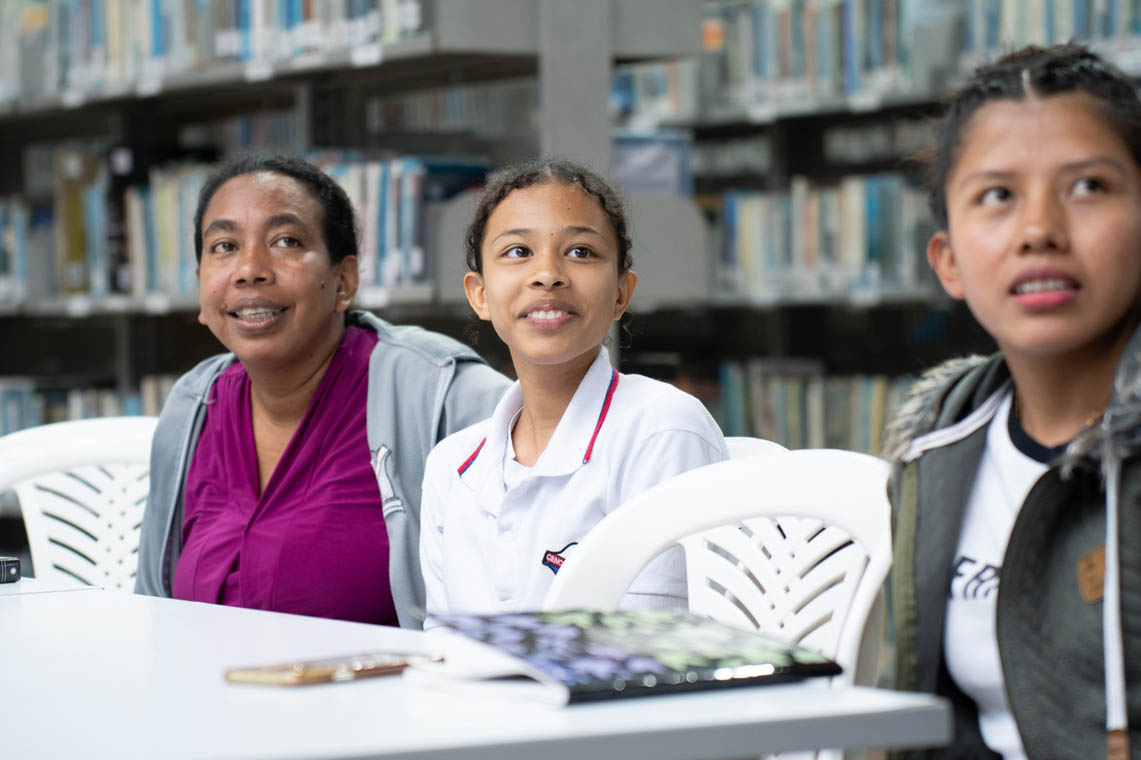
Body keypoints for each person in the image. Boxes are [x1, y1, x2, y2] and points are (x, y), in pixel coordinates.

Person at [882, 44, 1141, 759]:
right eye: (997, 195)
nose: (1039, 231)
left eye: (1087, 186)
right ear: (949, 262)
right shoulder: (936, 447)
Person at [135, 154, 509, 627]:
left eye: (286, 241)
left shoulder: (440, 392)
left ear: (344, 281)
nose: (249, 269)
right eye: (224, 246)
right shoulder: (192, 406)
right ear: (202, 290)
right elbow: (150, 608)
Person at [419, 159, 728, 618]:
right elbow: (443, 644)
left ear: (622, 293)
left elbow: (657, 643)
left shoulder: (662, 430)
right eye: (518, 252)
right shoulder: (451, 465)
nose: (548, 274)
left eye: (581, 252)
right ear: (479, 294)